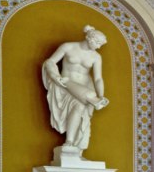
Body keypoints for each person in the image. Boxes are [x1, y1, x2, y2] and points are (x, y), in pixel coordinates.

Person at [41, 25, 110, 154]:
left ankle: (70, 142)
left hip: (83, 87)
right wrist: (55, 75)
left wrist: (101, 95)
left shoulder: (96, 57)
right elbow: (50, 62)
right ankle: (94, 101)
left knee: (79, 106)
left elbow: (98, 79)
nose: (99, 47)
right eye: (98, 43)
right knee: (89, 95)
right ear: (91, 39)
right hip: (66, 84)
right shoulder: (68, 47)